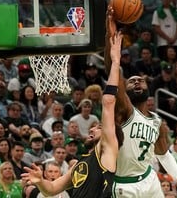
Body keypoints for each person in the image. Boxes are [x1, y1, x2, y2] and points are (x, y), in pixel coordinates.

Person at [21, 28, 123, 197]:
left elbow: (108, 101)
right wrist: (40, 181)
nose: (91, 129)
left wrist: (115, 62)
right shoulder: (79, 164)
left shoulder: (108, 150)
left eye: (98, 127)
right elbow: (52, 189)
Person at [105, 6, 177, 197]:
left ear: (148, 88)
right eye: (131, 81)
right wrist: (111, 37)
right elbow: (113, 70)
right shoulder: (124, 110)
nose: (136, 82)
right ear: (124, 92)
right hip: (124, 184)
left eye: (140, 81)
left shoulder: (158, 122)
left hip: (149, 180)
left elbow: (163, 153)